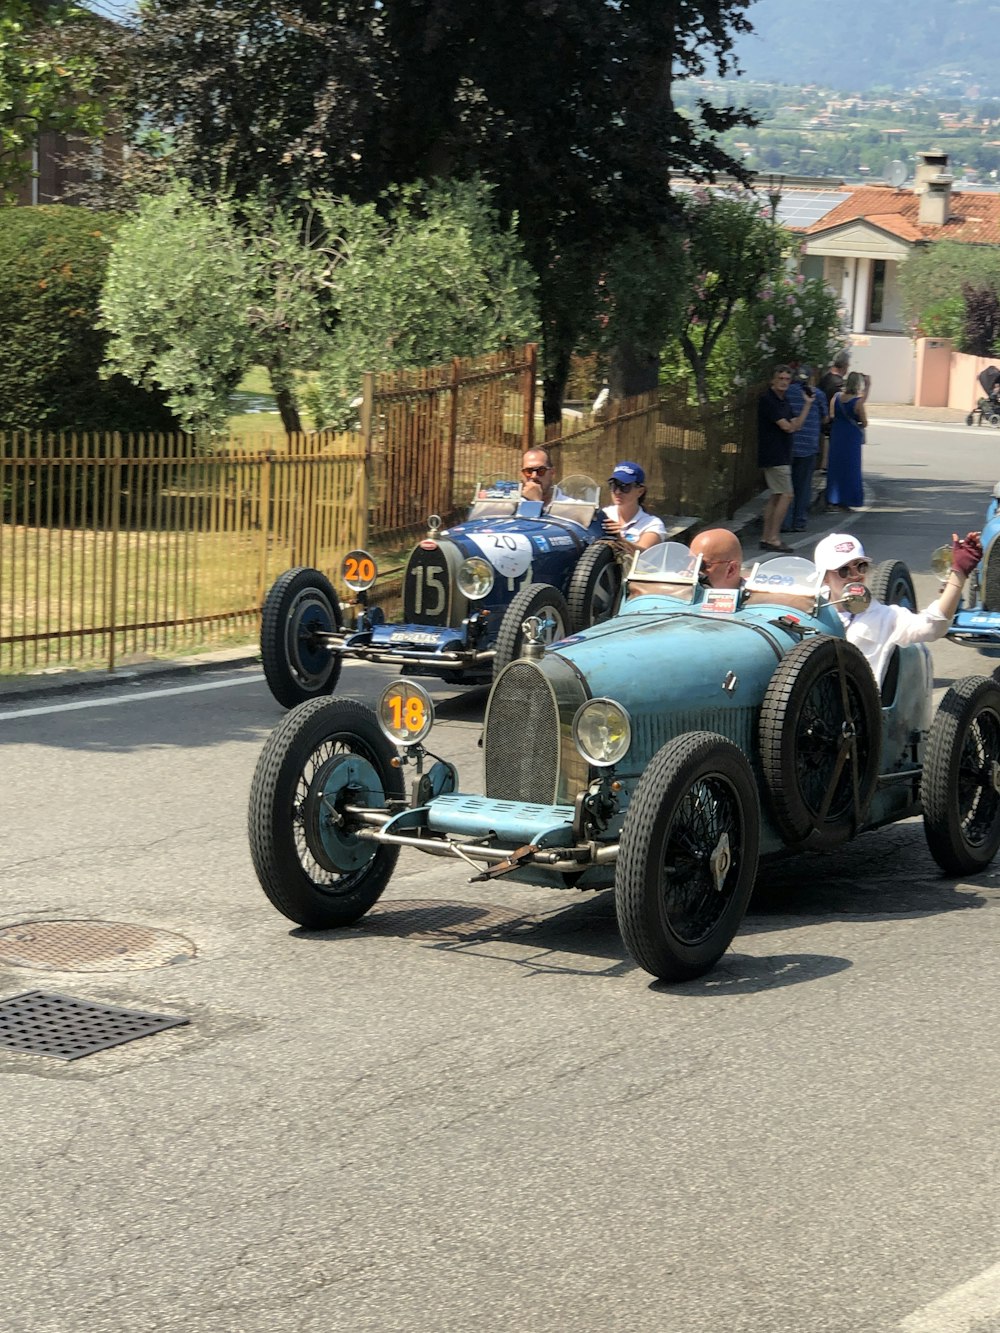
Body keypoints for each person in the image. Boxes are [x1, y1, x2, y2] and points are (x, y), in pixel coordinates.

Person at [814, 531, 983, 686]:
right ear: (825, 578)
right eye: (843, 570)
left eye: (860, 566)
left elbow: (932, 626)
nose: (855, 575)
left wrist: (958, 573)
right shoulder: (809, 609)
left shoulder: (885, 616)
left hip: (859, 711)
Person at [757, 364, 814, 554]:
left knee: (776, 496)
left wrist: (807, 404)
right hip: (774, 455)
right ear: (773, 380)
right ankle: (773, 538)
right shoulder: (769, 400)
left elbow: (796, 425)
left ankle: (767, 537)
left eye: (787, 380)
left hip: (781, 454)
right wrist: (791, 424)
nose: (783, 382)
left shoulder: (784, 401)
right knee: (787, 494)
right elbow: (787, 427)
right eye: (780, 379)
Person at [781, 367, 828, 534]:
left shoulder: (787, 392)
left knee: (786, 487)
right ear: (810, 378)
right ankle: (799, 521)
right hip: (809, 445)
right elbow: (825, 417)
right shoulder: (818, 395)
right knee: (803, 486)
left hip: (789, 444)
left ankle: (785, 521)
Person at [826, 371, 869, 512]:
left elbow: (832, 415)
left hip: (838, 434)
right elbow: (864, 421)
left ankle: (833, 499)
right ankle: (848, 499)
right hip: (851, 437)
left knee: (836, 466)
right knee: (851, 468)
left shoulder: (836, 398)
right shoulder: (857, 402)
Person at [601, 461, 666, 552]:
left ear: (640, 491)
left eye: (625, 487)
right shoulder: (604, 514)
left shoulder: (652, 524)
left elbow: (643, 554)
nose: (617, 492)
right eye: (614, 485)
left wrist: (619, 539)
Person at [817, 351, 849, 472]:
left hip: (821, 422)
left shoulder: (824, 379)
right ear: (844, 366)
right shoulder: (838, 384)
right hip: (833, 425)